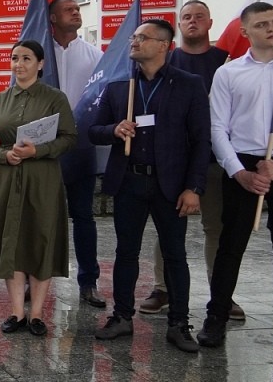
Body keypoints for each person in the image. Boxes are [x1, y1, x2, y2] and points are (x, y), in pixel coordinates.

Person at [198, 2, 273, 356]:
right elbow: (218, 126)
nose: (272, 28)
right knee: (230, 245)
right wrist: (237, 171)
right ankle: (216, 318)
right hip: (243, 163)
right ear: (245, 31)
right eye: (262, 23)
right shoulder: (229, 73)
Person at [87, 20, 209, 353]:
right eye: (134, 37)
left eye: (143, 38)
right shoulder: (119, 88)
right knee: (125, 253)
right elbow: (93, 130)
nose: (135, 42)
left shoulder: (189, 85)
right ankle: (122, 316)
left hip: (170, 185)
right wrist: (114, 129)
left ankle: (179, 323)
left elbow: (201, 141)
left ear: (164, 45)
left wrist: (194, 188)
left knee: (175, 256)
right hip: (129, 181)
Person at [141, 0, 239, 318]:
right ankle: (162, 289)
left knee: (216, 228)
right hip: (173, 161)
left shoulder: (226, 62)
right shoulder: (168, 61)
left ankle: (221, 293)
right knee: (169, 226)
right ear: (178, 26)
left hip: (215, 158)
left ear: (210, 22)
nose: (192, 21)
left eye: (199, 17)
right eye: (186, 17)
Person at [0, 40, 77, 336]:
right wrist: (2, 154)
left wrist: (39, 151)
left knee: (39, 237)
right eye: (14, 58)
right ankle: (17, 312)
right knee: (12, 240)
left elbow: (70, 138)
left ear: (40, 64)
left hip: (42, 176)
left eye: (26, 58)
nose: (19, 64)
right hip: (7, 176)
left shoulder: (55, 98)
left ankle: (37, 314)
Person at [49, 0, 106, 308]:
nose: (76, 13)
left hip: (80, 146)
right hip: (45, 148)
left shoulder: (94, 55)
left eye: (77, 9)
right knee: (42, 219)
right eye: (69, 10)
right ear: (53, 19)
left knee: (84, 216)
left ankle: (89, 282)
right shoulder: (39, 53)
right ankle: (35, 280)